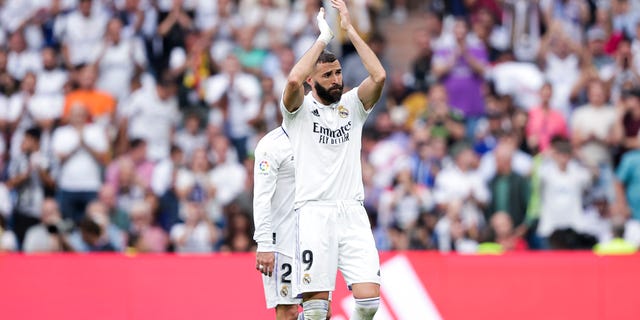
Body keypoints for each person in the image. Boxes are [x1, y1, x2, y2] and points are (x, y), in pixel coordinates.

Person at [280, 1, 385, 318]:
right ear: (313, 80)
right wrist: (323, 38)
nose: (337, 79)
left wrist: (349, 29)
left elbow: (379, 76)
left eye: (338, 72)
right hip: (313, 212)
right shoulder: (298, 112)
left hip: (352, 211)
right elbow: (293, 82)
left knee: (368, 304)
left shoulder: (353, 106)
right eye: (327, 75)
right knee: (315, 311)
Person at [252, 127, 301, 320]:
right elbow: (261, 198)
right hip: (283, 241)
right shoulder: (271, 144)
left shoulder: (318, 137)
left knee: (322, 311)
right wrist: (264, 244)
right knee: (288, 313)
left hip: (315, 237)